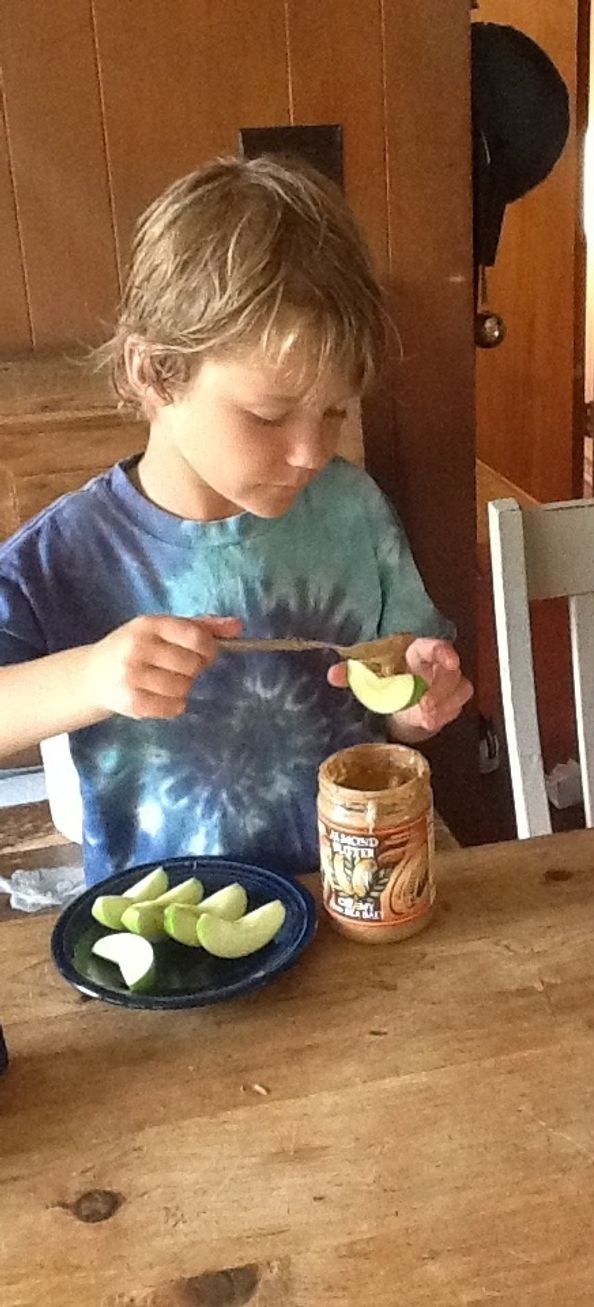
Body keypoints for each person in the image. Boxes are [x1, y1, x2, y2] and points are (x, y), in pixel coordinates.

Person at [0, 156, 472, 884]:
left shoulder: (353, 511)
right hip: (170, 928)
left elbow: (394, 699)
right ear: (153, 372)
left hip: (350, 899)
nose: (313, 450)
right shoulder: (68, 555)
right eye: (270, 414)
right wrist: (91, 677)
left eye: (335, 411)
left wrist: (418, 702)